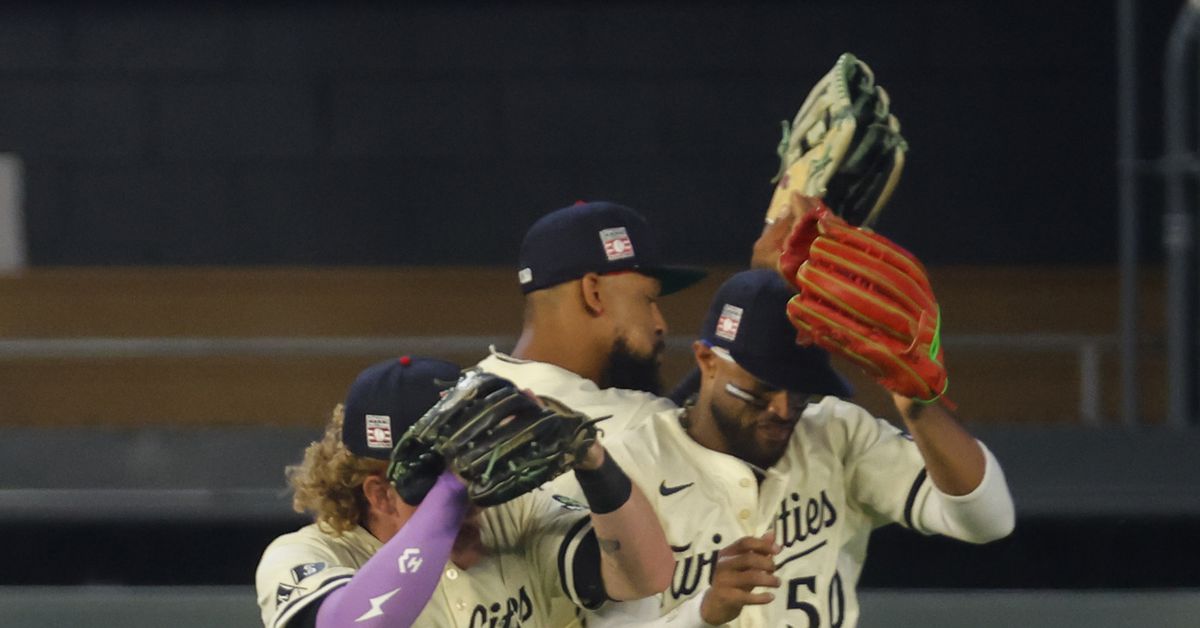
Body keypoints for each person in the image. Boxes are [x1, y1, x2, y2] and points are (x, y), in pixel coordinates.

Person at [589, 269, 1016, 627]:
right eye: (763, 389)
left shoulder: (837, 435)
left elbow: (989, 520)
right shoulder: (628, 465)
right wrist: (703, 613)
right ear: (707, 361)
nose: (782, 408)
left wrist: (918, 409)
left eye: (800, 393)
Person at [255, 355, 674, 628]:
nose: (477, 488)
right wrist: (451, 491)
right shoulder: (305, 555)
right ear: (381, 494)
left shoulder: (516, 516)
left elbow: (649, 575)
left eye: (476, 458)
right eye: (448, 467)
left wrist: (594, 461)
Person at [477, 200, 707, 432]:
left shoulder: (466, 395)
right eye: (648, 300)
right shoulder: (640, 423)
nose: (660, 325)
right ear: (593, 293)